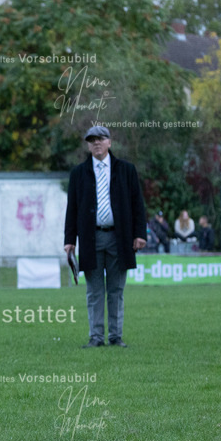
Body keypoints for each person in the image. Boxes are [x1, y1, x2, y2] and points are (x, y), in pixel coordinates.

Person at [64, 126, 147, 348]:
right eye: (91, 140)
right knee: (94, 291)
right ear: (88, 145)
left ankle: (115, 336)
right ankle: (96, 337)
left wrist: (140, 233)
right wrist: (69, 239)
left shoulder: (126, 170)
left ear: (110, 142)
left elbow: (138, 203)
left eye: (100, 139)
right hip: (91, 238)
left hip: (120, 238)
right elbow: (71, 208)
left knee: (116, 290)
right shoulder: (79, 174)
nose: (96, 143)